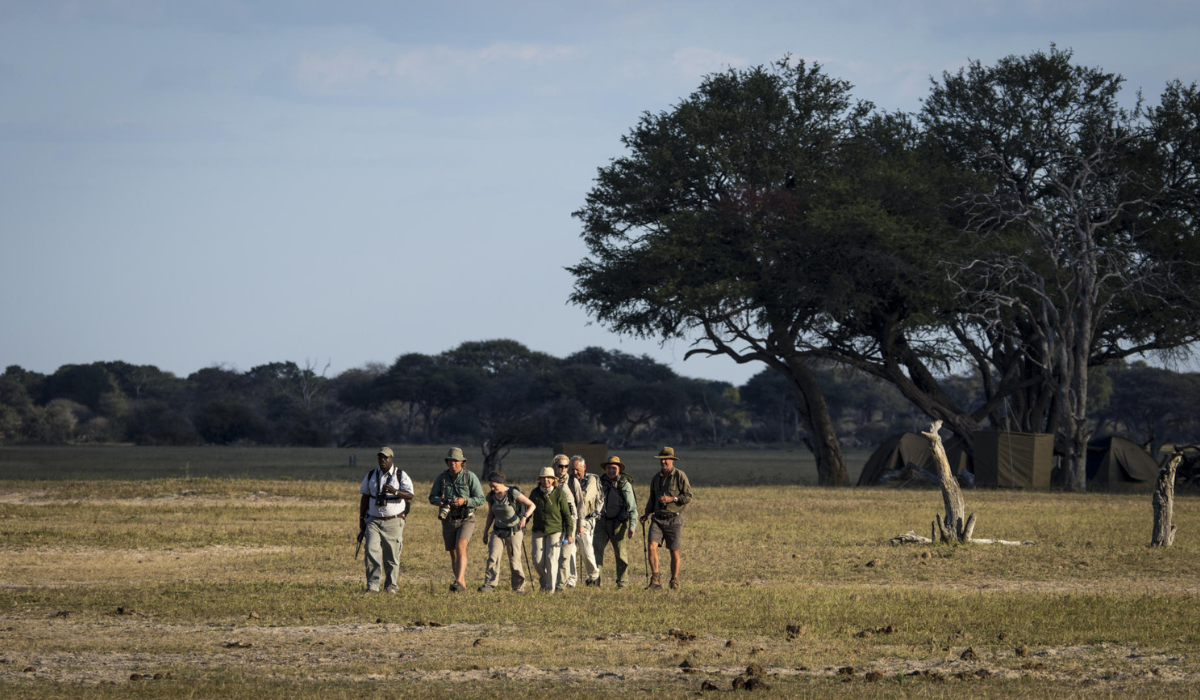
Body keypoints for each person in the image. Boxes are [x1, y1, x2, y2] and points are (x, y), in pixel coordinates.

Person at [428, 446, 486, 592]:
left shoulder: (470, 477)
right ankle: (462, 585)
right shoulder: (442, 478)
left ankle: (458, 581)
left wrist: (464, 501)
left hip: (466, 518)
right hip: (448, 519)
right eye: (450, 460)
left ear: (462, 462)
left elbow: (480, 499)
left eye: (455, 460)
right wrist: (439, 501)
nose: (452, 463)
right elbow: (432, 497)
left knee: (461, 547)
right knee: (453, 553)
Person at [358, 447, 414, 594]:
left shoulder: (400, 475)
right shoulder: (371, 474)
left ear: (392, 459)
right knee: (371, 551)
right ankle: (372, 586)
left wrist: (395, 491)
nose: (382, 460)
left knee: (392, 554)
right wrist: (362, 519)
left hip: (393, 520)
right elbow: (365, 496)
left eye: (385, 458)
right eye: (380, 458)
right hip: (373, 520)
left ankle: (391, 585)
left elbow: (410, 495)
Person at [640, 446, 693, 590]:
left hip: (674, 518)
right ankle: (655, 580)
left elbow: (688, 496)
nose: (663, 462)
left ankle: (674, 581)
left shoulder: (680, 475)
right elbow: (652, 498)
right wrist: (646, 514)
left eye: (666, 459)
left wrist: (672, 499)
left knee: (674, 551)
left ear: (672, 460)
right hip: (657, 518)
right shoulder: (656, 478)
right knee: (651, 546)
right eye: (661, 459)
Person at [478, 472, 536, 593]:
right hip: (498, 531)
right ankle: (489, 584)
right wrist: (485, 532)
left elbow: (532, 505)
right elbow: (490, 514)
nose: (492, 489)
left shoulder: (512, 493)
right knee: (493, 557)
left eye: (494, 486)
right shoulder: (491, 496)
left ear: (501, 483)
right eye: (490, 486)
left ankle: (519, 587)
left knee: (514, 561)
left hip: (514, 531)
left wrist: (524, 518)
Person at [592, 455, 638, 588]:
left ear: (619, 469)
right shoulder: (599, 482)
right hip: (601, 522)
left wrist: (632, 526)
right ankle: (596, 581)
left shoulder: (624, 484)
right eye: (609, 468)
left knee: (621, 554)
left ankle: (622, 582)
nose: (611, 471)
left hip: (618, 523)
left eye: (614, 468)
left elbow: (632, 507)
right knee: (596, 551)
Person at [528, 465, 573, 593]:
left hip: (555, 530)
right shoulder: (535, 493)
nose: (546, 480)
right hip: (538, 530)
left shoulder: (559, 494)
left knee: (551, 559)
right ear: (540, 480)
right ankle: (544, 581)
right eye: (543, 478)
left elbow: (566, 515)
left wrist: (569, 533)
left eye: (549, 478)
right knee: (537, 560)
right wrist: (523, 521)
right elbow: (529, 510)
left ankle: (549, 589)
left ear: (553, 480)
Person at [571, 455, 603, 586]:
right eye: (572, 469)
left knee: (586, 549)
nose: (575, 472)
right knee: (570, 550)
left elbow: (585, 497)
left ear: (584, 467)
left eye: (577, 469)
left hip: (587, 519)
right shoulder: (568, 480)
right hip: (571, 519)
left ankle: (594, 576)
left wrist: (570, 498)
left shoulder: (592, 479)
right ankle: (571, 580)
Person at [552, 453, 582, 591]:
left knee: (565, 554)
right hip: (554, 521)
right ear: (554, 466)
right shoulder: (548, 480)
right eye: (560, 466)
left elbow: (580, 504)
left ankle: (562, 584)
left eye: (566, 466)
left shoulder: (572, 482)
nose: (563, 469)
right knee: (552, 553)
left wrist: (581, 523)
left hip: (571, 521)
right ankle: (551, 581)